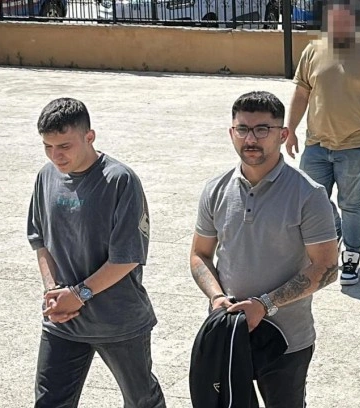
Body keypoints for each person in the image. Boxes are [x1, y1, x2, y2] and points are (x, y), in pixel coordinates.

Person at [190, 91, 339, 407]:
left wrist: (264, 304)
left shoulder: (308, 194)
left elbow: (326, 268)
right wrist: (216, 297)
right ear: (231, 132)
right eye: (242, 129)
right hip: (229, 333)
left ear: (283, 135)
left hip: (286, 341)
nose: (250, 139)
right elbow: (200, 255)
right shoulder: (215, 189)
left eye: (262, 129)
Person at [27, 98, 165, 408]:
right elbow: (40, 240)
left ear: (90, 136)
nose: (56, 155)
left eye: (64, 146)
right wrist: (53, 291)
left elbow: (128, 256)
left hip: (118, 320)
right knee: (49, 402)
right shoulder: (46, 177)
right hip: (64, 318)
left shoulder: (119, 180)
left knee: (142, 400)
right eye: (48, 147)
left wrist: (79, 294)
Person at [286, 0, 360, 285]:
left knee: (351, 203)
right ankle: (333, 234)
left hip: (356, 146)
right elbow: (301, 93)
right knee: (311, 200)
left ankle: (351, 255)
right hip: (317, 144)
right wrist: (290, 128)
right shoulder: (313, 51)